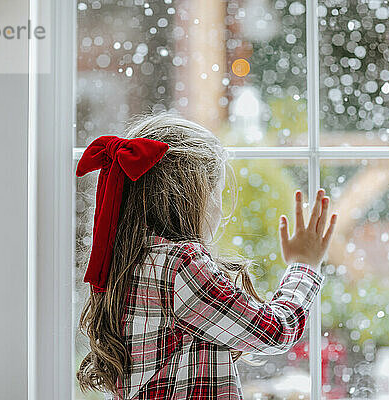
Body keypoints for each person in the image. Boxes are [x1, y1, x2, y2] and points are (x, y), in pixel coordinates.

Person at [75, 110, 337, 399]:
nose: (221, 209)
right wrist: (304, 265)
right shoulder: (181, 265)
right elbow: (276, 331)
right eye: (218, 194)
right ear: (194, 197)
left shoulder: (127, 261)